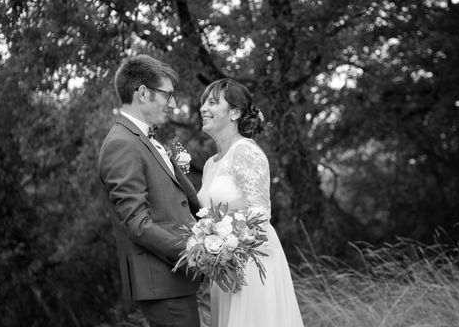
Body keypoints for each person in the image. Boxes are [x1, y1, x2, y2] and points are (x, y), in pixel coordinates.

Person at [98, 54, 202, 327]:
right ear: (143, 93)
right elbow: (138, 224)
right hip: (161, 280)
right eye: (167, 95)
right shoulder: (121, 143)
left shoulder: (143, 139)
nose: (173, 104)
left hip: (172, 281)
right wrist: (192, 251)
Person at [197, 78, 305, 327]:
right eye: (203, 102)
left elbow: (260, 216)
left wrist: (226, 250)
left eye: (212, 102)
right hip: (223, 271)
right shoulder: (211, 164)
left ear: (235, 111)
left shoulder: (246, 151)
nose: (203, 108)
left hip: (251, 268)